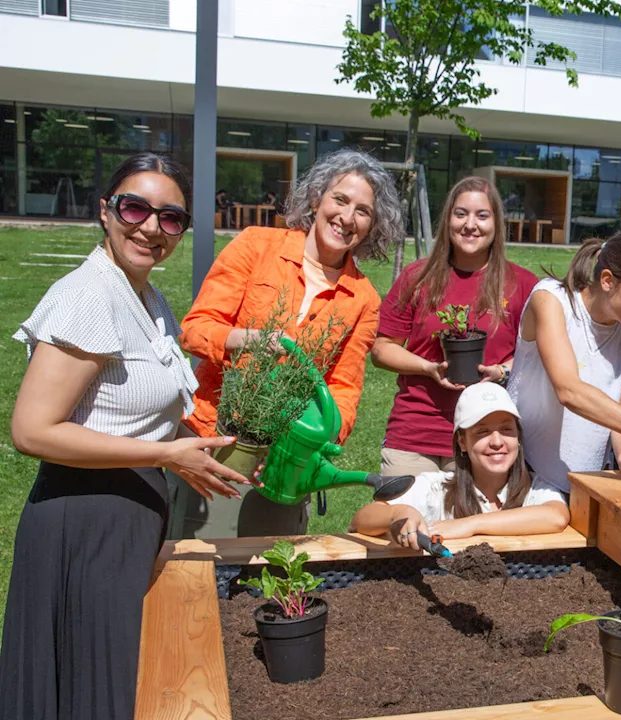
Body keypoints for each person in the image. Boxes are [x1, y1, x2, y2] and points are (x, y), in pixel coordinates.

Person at [0, 153, 252, 720]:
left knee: (115, 682)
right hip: (85, 520)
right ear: (106, 212)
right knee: (94, 689)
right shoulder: (89, 295)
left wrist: (196, 449)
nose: (149, 228)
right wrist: (166, 453)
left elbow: (133, 409)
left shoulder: (146, 298)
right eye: (135, 207)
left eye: (170, 219)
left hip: (126, 517)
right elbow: (31, 430)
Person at [172, 148, 399, 538]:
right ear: (316, 199)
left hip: (283, 464)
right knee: (195, 573)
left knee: (267, 578)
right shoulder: (256, 246)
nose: (347, 218)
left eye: (363, 211)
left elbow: (343, 389)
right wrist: (249, 340)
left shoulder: (363, 298)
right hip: (213, 440)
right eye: (340, 200)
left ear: (372, 225)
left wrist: (320, 439)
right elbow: (195, 329)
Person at [506, 232, 621, 530]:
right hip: (524, 472)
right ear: (608, 280)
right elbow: (568, 389)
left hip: (586, 480)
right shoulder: (551, 300)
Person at [372, 176, 537, 477]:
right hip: (415, 432)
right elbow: (382, 350)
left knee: (473, 524)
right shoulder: (417, 277)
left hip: (487, 437)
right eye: (460, 213)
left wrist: (502, 371)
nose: (470, 224)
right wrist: (428, 367)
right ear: (447, 219)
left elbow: (537, 356)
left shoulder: (523, 285)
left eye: (482, 215)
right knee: (404, 521)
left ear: (497, 224)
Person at [350, 382, 565, 543]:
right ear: (462, 441)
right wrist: (398, 514)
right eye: (482, 432)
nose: (497, 442)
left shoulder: (536, 488)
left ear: (518, 436)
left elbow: (556, 516)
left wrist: (469, 525)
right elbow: (361, 520)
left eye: (507, 429)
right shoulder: (436, 488)